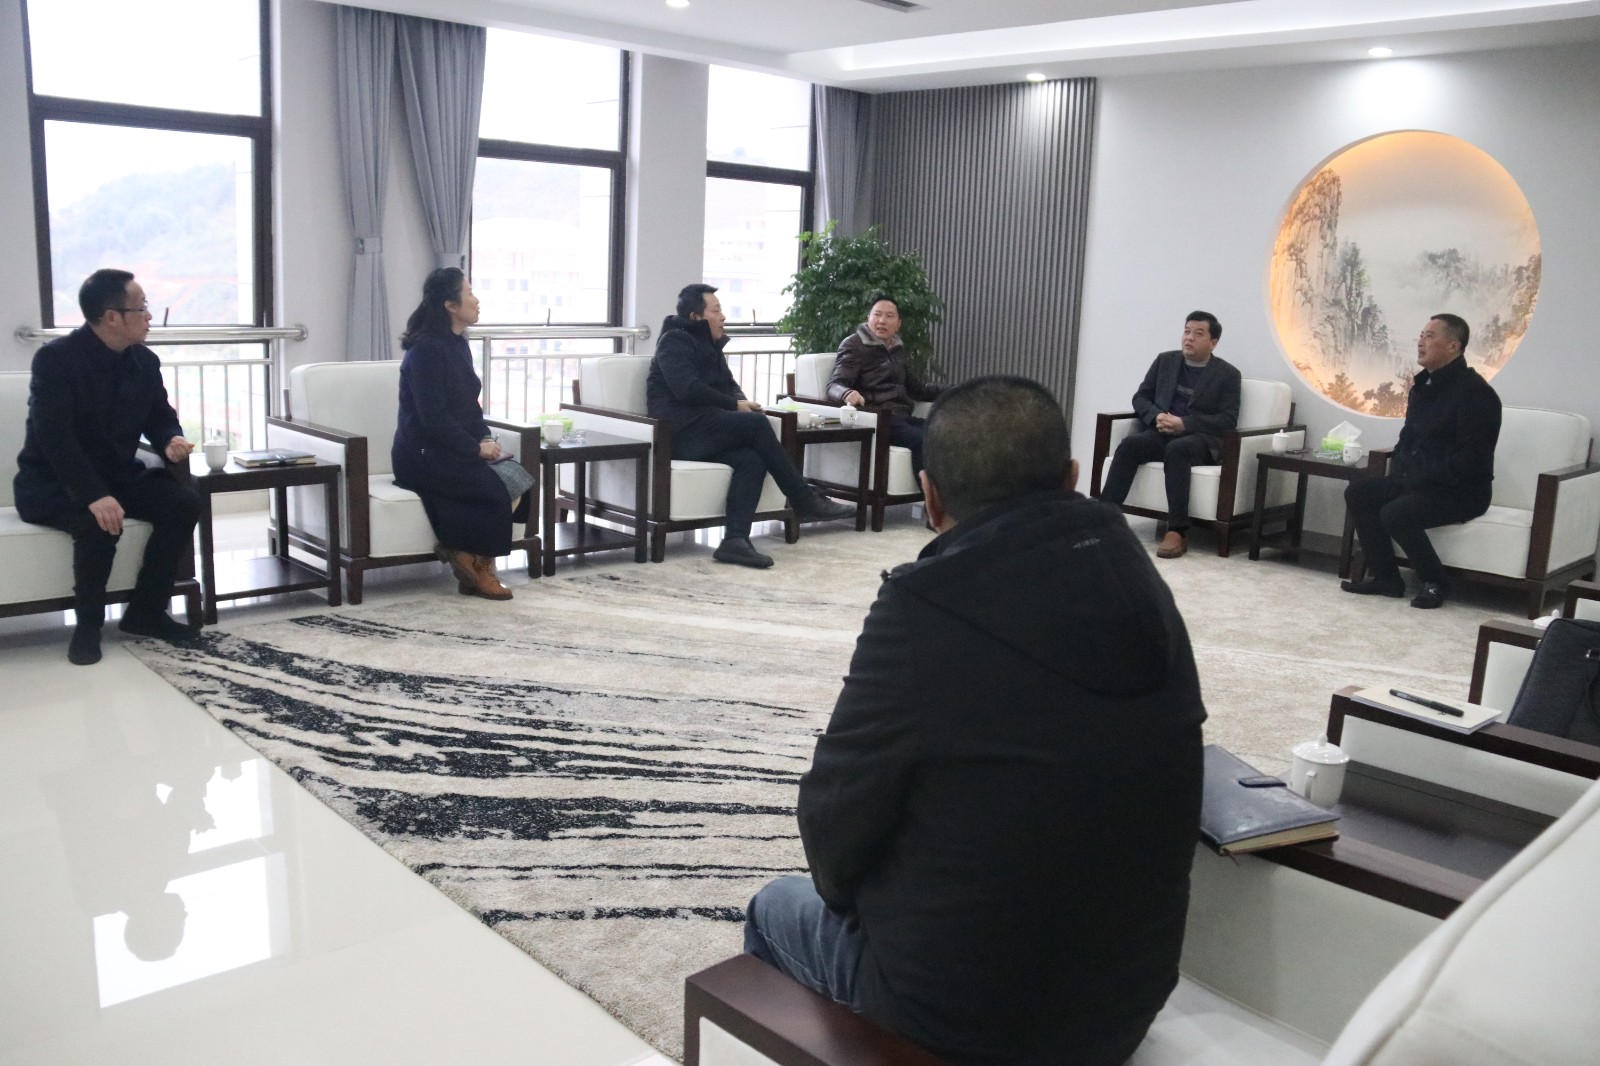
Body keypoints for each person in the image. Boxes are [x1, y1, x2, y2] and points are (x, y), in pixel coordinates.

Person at [745, 376, 1207, 1065]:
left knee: (774, 907)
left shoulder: (922, 609)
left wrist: (860, 900)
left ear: (930, 497)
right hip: (1124, 1004)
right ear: (1071, 477)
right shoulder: (1139, 580)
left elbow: (834, 825)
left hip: (960, 1020)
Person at [13, 268, 202, 666]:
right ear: (111, 316)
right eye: (142, 307)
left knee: (183, 503)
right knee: (99, 522)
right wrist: (94, 495)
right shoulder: (56, 359)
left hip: (117, 476)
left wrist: (170, 439)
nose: (149, 316)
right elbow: (54, 438)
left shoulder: (144, 361)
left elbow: (159, 414)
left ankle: (146, 613)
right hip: (52, 484)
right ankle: (88, 627)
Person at [646, 283, 854, 568]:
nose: (723, 317)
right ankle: (802, 497)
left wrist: (741, 401)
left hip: (704, 431)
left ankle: (735, 541)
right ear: (695, 316)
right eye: (716, 311)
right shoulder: (674, 341)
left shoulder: (710, 346)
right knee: (755, 424)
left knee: (752, 459)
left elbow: (729, 386)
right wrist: (735, 406)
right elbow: (687, 389)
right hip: (678, 434)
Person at [1342, 313, 1501, 609]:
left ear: (1453, 346)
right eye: (1421, 335)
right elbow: (1408, 438)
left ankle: (1435, 582)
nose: (1420, 342)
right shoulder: (1422, 387)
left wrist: (1419, 479)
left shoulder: (1476, 393)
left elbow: (1472, 459)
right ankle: (1386, 579)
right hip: (1416, 482)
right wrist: (1400, 473)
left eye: (1430, 336)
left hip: (1460, 491)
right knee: (1359, 492)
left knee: (1396, 512)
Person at [392, 267, 525, 601]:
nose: (476, 301)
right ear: (450, 305)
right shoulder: (426, 350)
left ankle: (463, 555)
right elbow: (434, 419)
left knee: (520, 480)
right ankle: (482, 569)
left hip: (451, 448)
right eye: (469, 294)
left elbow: (469, 406)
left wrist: (485, 438)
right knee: (493, 491)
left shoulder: (457, 344)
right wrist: (475, 450)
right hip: (422, 455)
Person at [1098, 311, 1241, 559]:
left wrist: (1184, 424)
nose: (1189, 338)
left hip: (1200, 440)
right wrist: (1156, 416)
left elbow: (1227, 419)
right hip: (1161, 431)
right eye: (1187, 331)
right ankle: (1104, 519)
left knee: (1178, 449)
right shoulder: (1165, 361)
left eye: (1198, 333)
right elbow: (1140, 398)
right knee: (1130, 445)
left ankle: (1177, 531)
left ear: (1213, 342)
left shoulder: (1228, 374)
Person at [825, 295, 942, 477]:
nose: (882, 321)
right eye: (877, 314)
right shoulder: (854, 345)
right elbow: (834, 385)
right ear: (868, 318)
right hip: (877, 417)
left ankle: (948, 493)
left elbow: (918, 389)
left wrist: (956, 391)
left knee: (944, 435)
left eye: (889, 316)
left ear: (898, 324)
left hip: (902, 417)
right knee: (921, 440)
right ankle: (929, 493)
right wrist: (846, 393)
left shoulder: (898, 349)